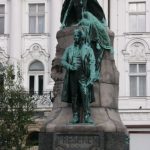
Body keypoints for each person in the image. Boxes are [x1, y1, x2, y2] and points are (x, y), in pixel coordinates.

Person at [61, 29, 96, 124]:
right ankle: (75, 115)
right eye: (74, 36)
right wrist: (69, 66)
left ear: (81, 38)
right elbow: (62, 60)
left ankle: (87, 115)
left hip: (83, 75)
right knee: (74, 96)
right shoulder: (69, 49)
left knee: (85, 95)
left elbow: (93, 63)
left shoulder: (88, 49)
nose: (75, 38)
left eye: (77, 36)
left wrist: (92, 77)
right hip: (72, 76)